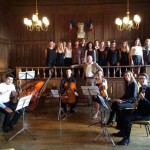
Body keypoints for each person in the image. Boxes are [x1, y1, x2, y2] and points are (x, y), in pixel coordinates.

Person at [116, 73, 150, 145]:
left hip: (146, 114)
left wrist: (143, 99)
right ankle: (122, 132)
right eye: (139, 79)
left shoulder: (149, 89)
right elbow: (141, 102)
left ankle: (126, 139)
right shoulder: (141, 88)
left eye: (143, 78)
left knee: (127, 119)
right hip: (140, 111)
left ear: (147, 79)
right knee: (122, 112)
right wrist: (137, 104)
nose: (141, 80)